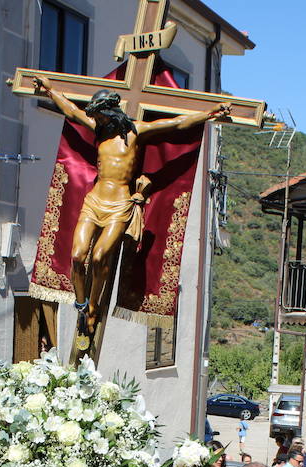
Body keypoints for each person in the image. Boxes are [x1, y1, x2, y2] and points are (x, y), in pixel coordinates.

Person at [29, 76, 231, 362]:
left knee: (99, 258)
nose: (95, 119)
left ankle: (94, 307)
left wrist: (209, 115)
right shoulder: (99, 131)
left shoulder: (137, 133)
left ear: (109, 111)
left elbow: (175, 125)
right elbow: (72, 111)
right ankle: (81, 304)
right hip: (94, 200)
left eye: (98, 114)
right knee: (77, 256)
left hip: (120, 204)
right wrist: (49, 90)